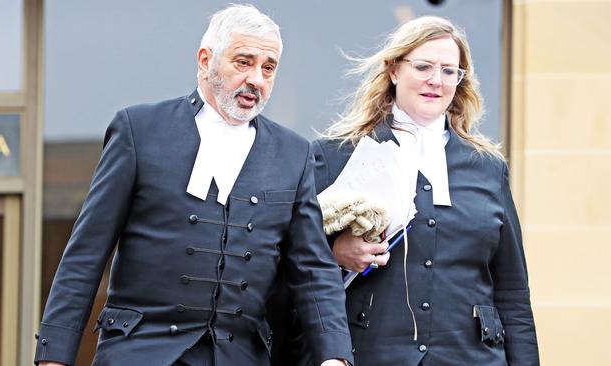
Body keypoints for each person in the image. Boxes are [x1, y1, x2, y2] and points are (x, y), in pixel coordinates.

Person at [35, 5, 352, 366]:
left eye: (268, 68)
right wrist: (53, 357)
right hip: (140, 351)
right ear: (205, 61)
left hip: (240, 357)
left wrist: (335, 356)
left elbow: (313, 268)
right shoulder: (139, 130)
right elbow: (85, 253)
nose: (257, 80)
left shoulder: (293, 154)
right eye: (243, 62)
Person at [281, 16, 539, 366]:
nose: (436, 80)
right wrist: (334, 252)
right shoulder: (334, 156)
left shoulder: (488, 168)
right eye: (423, 66)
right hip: (372, 353)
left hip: (473, 357)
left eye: (450, 71)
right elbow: (291, 263)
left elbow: (512, 292)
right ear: (393, 70)